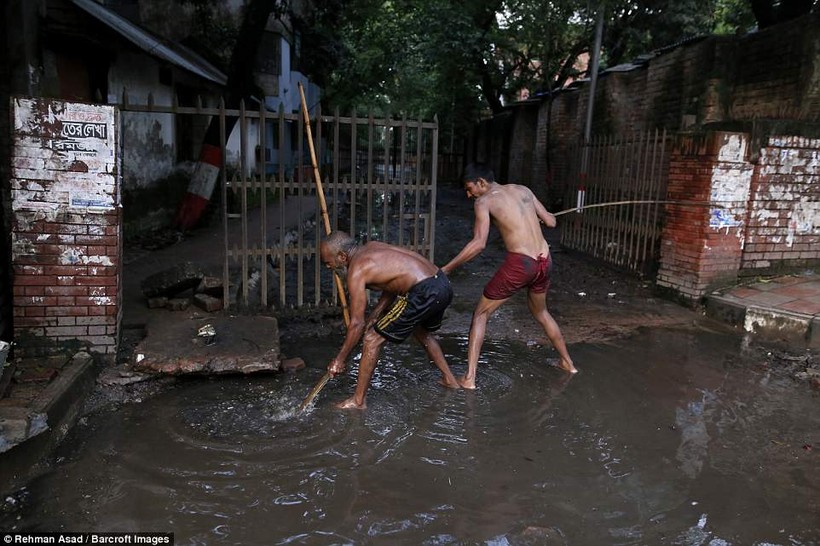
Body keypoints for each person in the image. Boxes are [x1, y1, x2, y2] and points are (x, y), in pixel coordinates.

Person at [441, 163, 577, 389]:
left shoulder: (484, 201)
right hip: (545, 262)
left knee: (480, 314)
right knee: (541, 312)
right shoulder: (524, 190)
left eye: (469, 188)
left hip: (521, 264)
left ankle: (469, 378)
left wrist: (447, 268)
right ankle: (568, 362)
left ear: (482, 182)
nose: (468, 194)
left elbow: (478, 244)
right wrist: (545, 216)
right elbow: (552, 222)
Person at [321, 230, 461, 409]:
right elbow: (393, 283)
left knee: (371, 340)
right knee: (420, 330)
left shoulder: (356, 270)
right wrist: (376, 314)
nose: (329, 267)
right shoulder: (372, 246)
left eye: (328, 263)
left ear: (341, 256)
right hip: (441, 283)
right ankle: (450, 380)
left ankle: (358, 401)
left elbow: (357, 324)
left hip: (424, 291)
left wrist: (339, 359)